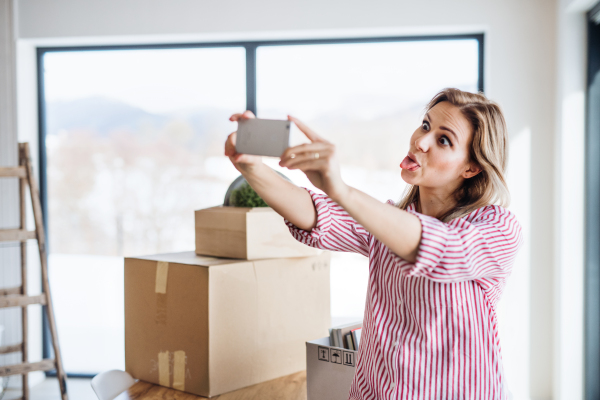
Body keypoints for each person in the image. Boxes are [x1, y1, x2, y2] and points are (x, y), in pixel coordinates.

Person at [224, 88, 523, 400]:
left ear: (471, 167)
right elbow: (317, 215)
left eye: (443, 139)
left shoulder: (497, 229)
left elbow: (442, 248)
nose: (420, 142)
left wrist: (340, 189)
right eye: (425, 125)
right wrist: (250, 167)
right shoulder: (389, 219)